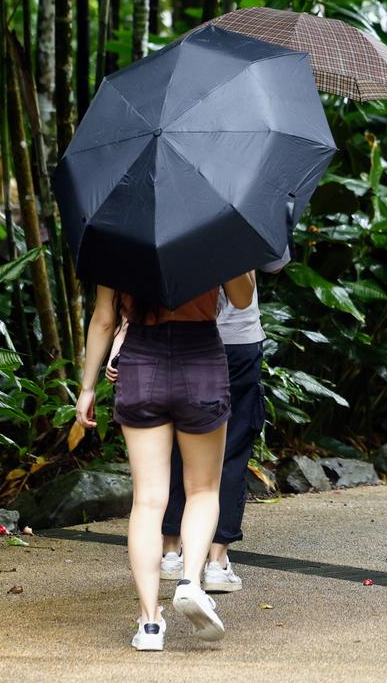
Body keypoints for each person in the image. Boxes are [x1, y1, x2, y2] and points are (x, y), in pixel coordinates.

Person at [77, 274, 255, 652]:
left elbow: (104, 318)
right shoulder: (213, 225)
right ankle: (190, 581)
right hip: (202, 357)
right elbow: (241, 299)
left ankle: (150, 624)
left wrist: (87, 387)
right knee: (203, 489)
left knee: (147, 500)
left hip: (141, 360)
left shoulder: (121, 230)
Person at [107, 253, 288, 592]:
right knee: (228, 452)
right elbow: (274, 262)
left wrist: (120, 339)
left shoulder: (147, 210)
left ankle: (172, 550)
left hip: (162, 338)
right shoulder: (240, 206)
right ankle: (216, 561)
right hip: (231, 338)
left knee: (168, 448)